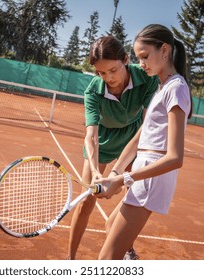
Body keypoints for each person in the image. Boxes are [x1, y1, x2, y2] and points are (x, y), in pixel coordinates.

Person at [94, 24, 193, 260]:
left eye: (145, 56)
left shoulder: (176, 88)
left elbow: (175, 158)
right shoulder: (163, 87)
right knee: (111, 227)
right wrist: (115, 173)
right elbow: (140, 137)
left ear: (165, 50)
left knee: (106, 259)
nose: (141, 64)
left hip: (152, 177)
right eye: (139, 58)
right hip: (143, 170)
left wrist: (122, 179)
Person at [67, 36, 159, 260]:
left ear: (126, 59)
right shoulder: (93, 91)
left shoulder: (147, 78)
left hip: (134, 135)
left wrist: (116, 173)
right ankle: (70, 260)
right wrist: (98, 173)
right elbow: (91, 136)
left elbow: (146, 128)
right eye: (101, 73)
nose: (108, 78)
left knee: (133, 196)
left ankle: (125, 246)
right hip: (104, 140)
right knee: (86, 201)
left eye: (113, 70)